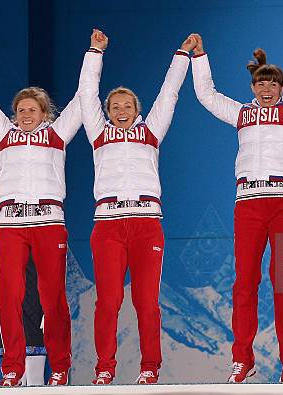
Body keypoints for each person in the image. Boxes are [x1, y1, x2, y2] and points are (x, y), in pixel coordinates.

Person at [190, 26, 283, 383]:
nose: (267, 90)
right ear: (253, 87)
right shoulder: (240, 113)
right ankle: (242, 360)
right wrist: (199, 56)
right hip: (248, 204)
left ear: (282, 88)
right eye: (261, 84)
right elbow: (205, 94)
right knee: (244, 282)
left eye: (273, 84)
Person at [0, 26, 82, 386]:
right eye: (20, 109)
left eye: (32, 109)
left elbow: (84, 98)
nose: (25, 114)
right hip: (10, 223)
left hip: (48, 222)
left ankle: (60, 367)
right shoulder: (3, 134)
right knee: (8, 297)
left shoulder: (58, 134)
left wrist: (94, 54)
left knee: (52, 298)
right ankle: (12, 369)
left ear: (45, 112)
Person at [78, 29, 195, 385]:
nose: (121, 111)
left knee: (146, 302)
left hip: (146, 222)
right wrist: (95, 52)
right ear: (107, 112)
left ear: (138, 111)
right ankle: (104, 369)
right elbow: (87, 94)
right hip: (109, 224)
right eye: (115, 107)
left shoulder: (151, 130)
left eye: (128, 106)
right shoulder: (98, 132)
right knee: (108, 301)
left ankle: (150, 368)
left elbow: (169, 93)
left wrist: (183, 54)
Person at [0, 257, 46, 386]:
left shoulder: (42, 249)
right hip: (10, 315)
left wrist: (49, 311)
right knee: (13, 377)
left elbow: (53, 281)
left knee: (34, 377)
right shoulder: (9, 251)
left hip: (35, 314)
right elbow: (1, 283)